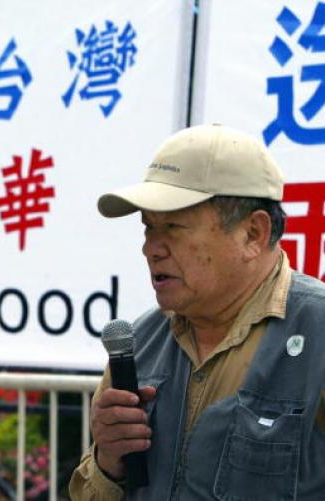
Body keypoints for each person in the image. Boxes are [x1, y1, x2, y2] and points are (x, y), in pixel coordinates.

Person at [69, 124, 325, 500]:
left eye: (172, 227)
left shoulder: (317, 333)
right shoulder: (139, 344)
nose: (151, 249)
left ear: (253, 234)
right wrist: (109, 461)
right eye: (148, 228)